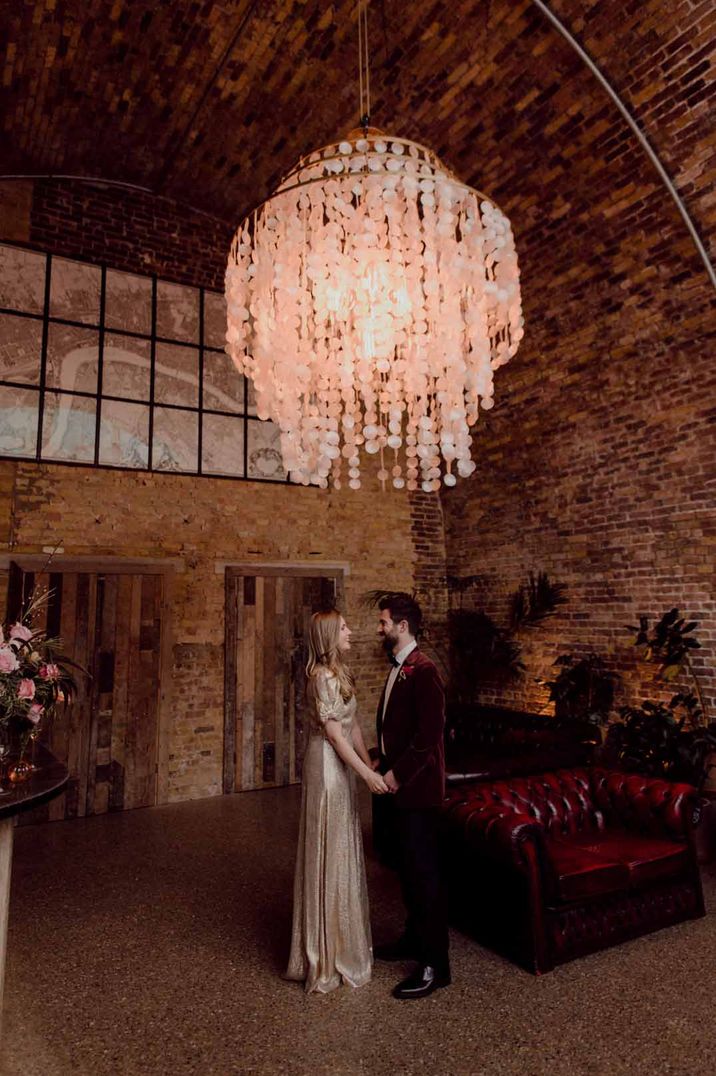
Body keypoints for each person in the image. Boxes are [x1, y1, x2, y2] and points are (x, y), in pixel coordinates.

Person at [286, 608, 389, 993]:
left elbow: (354, 725)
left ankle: (344, 941)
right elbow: (333, 735)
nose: (351, 632)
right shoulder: (320, 678)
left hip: (343, 765)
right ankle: (324, 956)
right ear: (330, 635)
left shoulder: (341, 673)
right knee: (328, 846)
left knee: (343, 845)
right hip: (327, 769)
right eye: (344, 628)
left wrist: (369, 762)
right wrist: (366, 776)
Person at [372, 591, 450, 1000]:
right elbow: (397, 729)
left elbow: (429, 736)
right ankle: (412, 939)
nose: (379, 628)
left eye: (384, 622)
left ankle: (436, 965)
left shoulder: (425, 670)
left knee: (425, 879)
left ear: (403, 627)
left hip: (417, 791)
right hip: (395, 788)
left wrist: (398, 774)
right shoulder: (400, 667)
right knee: (405, 870)